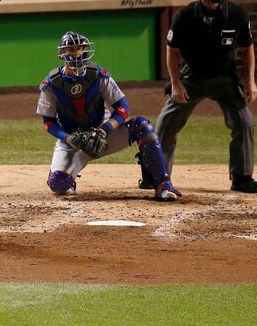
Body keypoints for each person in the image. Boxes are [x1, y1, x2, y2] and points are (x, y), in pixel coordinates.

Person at [37, 31, 182, 201]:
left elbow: (122, 108)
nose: (76, 53)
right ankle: (63, 177)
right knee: (58, 184)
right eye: (71, 49)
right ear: (62, 54)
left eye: (80, 48)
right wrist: (68, 138)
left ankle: (162, 184)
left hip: (103, 136)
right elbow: (48, 122)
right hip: (72, 142)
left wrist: (103, 130)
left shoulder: (98, 75)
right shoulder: (51, 84)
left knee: (141, 126)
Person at [146, 0, 257, 194]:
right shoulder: (184, 16)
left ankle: (242, 177)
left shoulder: (236, 14)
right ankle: (157, 174)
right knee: (167, 121)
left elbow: (247, 48)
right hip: (192, 77)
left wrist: (250, 80)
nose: (213, 4)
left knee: (245, 122)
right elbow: (172, 51)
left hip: (225, 77)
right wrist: (175, 84)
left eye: (216, 0)